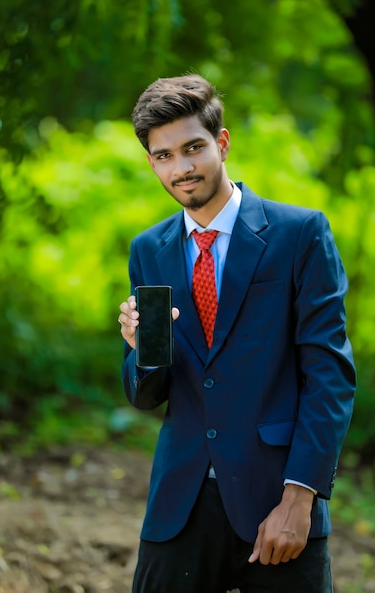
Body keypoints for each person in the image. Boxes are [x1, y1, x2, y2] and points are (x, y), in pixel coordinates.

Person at [118, 74, 356, 593]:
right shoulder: (148, 249)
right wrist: (142, 352)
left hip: (278, 500)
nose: (181, 168)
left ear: (221, 143)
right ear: (152, 162)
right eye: (163, 156)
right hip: (179, 503)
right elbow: (148, 395)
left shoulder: (299, 234)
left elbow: (329, 376)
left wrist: (301, 497)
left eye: (193, 148)